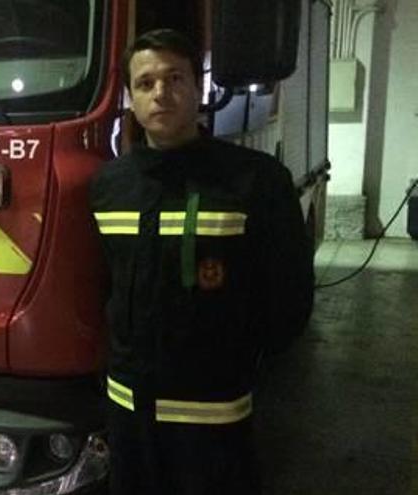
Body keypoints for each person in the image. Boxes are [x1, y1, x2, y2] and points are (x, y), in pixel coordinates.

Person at [90, 29, 314, 494]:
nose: (161, 93)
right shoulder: (108, 187)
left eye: (175, 78)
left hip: (213, 415)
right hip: (130, 414)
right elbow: (101, 286)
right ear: (130, 99)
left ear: (199, 88)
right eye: (146, 83)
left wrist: (234, 361)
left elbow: (289, 299)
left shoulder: (255, 181)